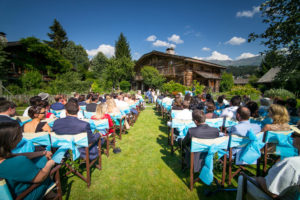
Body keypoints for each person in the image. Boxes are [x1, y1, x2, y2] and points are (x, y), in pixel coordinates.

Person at [236, 131, 300, 200]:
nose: (291, 137)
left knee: (242, 178)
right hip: (293, 194)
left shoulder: (291, 163)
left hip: (283, 197)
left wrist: (259, 179)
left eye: (293, 135)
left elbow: (273, 193)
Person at [0, 121, 56, 200]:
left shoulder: (5, 159)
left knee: (40, 158)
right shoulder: (17, 161)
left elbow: (12, 156)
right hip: (24, 195)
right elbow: (40, 178)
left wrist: (41, 153)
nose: (22, 136)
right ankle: (50, 193)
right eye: (20, 134)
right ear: (11, 140)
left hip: (6, 195)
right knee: (43, 162)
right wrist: (50, 163)